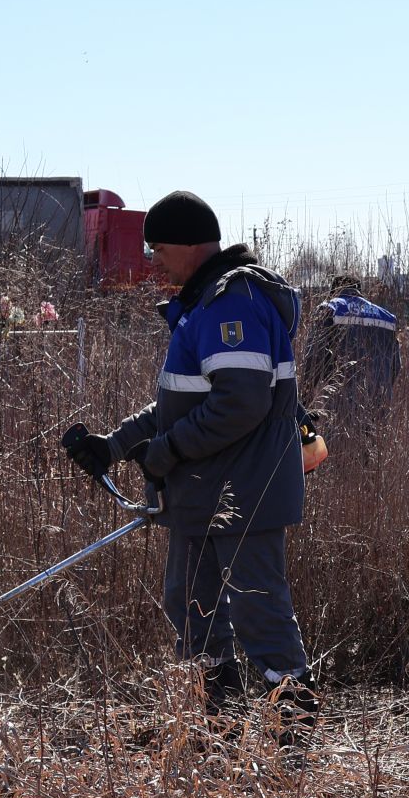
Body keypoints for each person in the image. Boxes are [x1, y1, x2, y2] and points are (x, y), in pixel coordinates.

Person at [62, 190, 317, 733]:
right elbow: (183, 401)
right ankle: (217, 733)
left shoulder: (233, 302)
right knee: (191, 609)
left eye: (157, 248)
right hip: (203, 494)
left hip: (243, 494)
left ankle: (295, 751)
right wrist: (115, 444)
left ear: (189, 245)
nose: (152, 259)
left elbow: (240, 402)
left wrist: (169, 452)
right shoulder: (202, 304)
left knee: (258, 612)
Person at [301, 274, 401, 433]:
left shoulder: (330, 309)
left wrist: (303, 400)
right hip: (380, 404)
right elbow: (396, 366)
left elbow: (313, 358)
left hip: (341, 404)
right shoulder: (387, 318)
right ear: (359, 292)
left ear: (333, 291)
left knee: (338, 453)